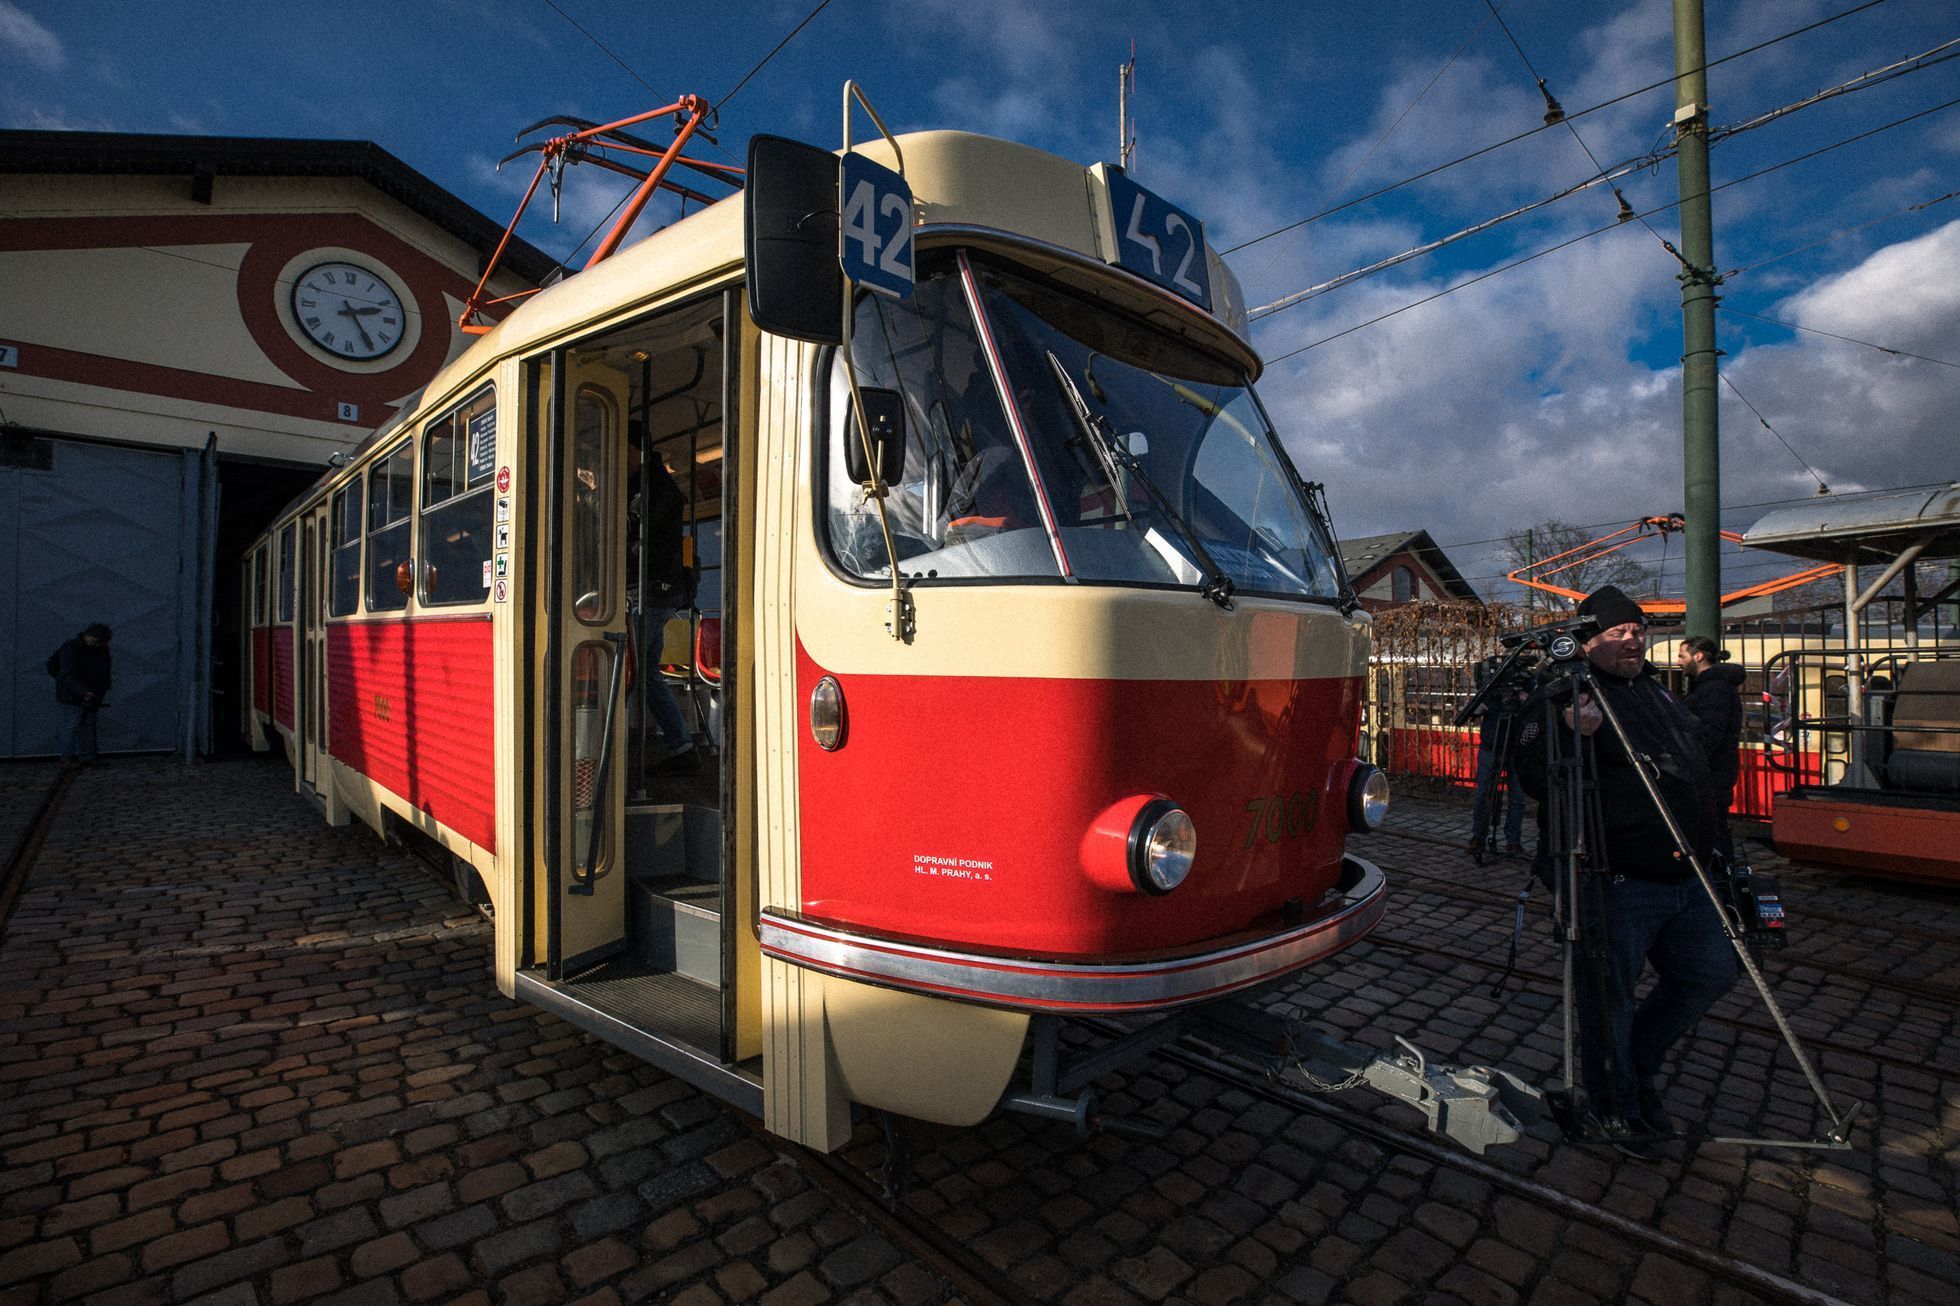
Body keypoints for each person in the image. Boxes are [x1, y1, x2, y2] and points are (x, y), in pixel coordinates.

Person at [1513, 586, 1735, 1158]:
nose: (1634, 638)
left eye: (1639, 629)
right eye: (1618, 631)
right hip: (1615, 878)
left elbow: (1694, 765)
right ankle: (1617, 1106)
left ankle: (1637, 1065)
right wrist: (1567, 730)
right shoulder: (1564, 692)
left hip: (1688, 873)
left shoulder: (1656, 694)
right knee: (1608, 996)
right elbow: (1533, 770)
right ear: (1587, 643)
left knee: (1709, 973)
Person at [638, 454, 697, 775]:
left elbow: (631, 531)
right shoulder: (660, 487)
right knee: (646, 675)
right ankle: (681, 744)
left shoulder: (651, 488)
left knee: (626, 673)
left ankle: (610, 754)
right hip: (659, 593)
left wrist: (591, 492)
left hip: (649, 592)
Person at [1677, 635, 1746, 864]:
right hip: (1714, 771)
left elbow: (1709, 735)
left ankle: (1722, 880)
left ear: (1698, 656)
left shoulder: (1714, 689)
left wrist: (1686, 759)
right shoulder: (1712, 687)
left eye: (1682, 656)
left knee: (1714, 829)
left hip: (1710, 773)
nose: (1679, 662)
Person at [1465, 659, 1528, 859]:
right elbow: (1472, 712)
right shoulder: (1491, 688)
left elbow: (1536, 712)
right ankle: (1478, 836)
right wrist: (1485, 702)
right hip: (1491, 746)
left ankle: (1513, 841)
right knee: (1484, 793)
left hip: (1516, 747)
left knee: (1517, 798)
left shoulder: (1526, 684)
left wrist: (1524, 698)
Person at [52, 623, 113, 767]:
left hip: (88, 692)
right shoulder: (72, 648)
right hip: (73, 694)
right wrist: (83, 691)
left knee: (87, 725)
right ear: (90, 636)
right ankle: (68, 758)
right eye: (97, 642)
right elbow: (69, 674)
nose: (98, 645)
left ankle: (87, 756)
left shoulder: (97, 649)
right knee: (72, 725)